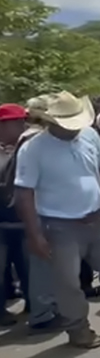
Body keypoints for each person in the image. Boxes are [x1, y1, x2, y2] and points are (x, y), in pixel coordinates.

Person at [14, 91, 100, 347]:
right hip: (58, 225)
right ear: (52, 121)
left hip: (97, 218)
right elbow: (24, 193)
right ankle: (78, 328)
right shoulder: (33, 149)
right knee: (68, 283)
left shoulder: (89, 135)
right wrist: (34, 235)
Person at [0, 104, 30, 326]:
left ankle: (32, 302)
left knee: (25, 263)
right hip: (4, 221)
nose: (23, 126)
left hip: (18, 221)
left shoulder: (17, 148)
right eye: (18, 122)